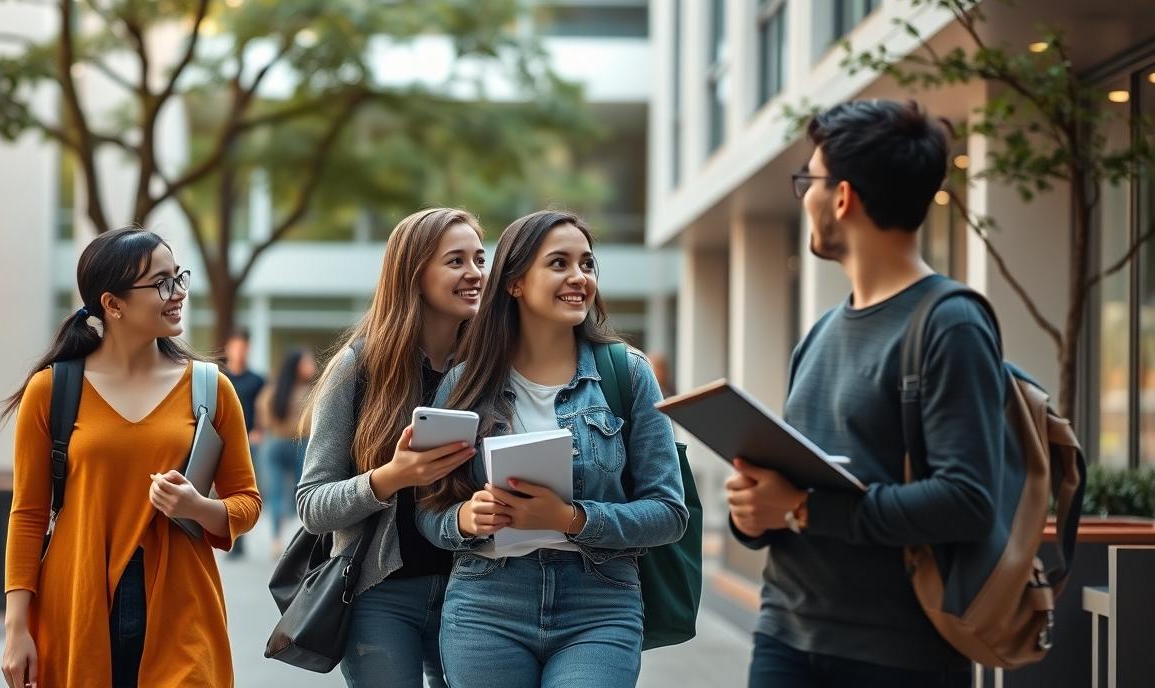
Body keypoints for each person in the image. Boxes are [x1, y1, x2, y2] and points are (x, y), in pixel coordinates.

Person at [726, 100, 1004, 687]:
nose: (805, 196)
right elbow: (807, 482)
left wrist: (803, 508)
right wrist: (757, 511)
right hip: (785, 634)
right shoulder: (823, 331)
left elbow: (967, 500)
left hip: (897, 655)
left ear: (843, 197)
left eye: (810, 180)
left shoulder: (950, 323)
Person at [417, 210, 688, 688]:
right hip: (487, 602)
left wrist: (569, 518)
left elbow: (669, 512)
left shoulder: (628, 374)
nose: (579, 277)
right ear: (516, 283)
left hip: (599, 603)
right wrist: (463, 520)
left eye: (587, 264)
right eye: (559, 263)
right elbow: (429, 512)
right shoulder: (465, 384)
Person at [0, 227, 261, 688]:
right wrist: (16, 628)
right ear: (113, 304)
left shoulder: (211, 389)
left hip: (183, 606)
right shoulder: (52, 391)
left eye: (178, 277)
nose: (177, 292)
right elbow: (28, 515)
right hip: (77, 602)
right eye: (161, 282)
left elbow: (247, 502)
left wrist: (198, 507)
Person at [297, 207, 486, 687]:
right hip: (379, 597)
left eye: (480, 259)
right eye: (456, 261)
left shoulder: (492, 369)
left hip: (478, 591)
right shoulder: (359, 367)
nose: (475, 274)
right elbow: (312, 506)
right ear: (414, 273)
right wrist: (392, 477)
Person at [257, 347, 316, 555]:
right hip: (300, 444)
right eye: (308, 361)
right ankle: (305, 541)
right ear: (297, 365)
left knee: (276, 493)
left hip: (274, 442)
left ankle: (276, 540)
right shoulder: (310, 393)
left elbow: (264, 416)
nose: (313, 365)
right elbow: (312, 423)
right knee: (305, 492)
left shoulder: (273, 390)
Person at [221, 327, 266, 558]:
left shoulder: (257, 380)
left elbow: (264, 409)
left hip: (248, 441)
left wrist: (259, 430)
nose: (240, 352)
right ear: (229, 348)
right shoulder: (219, 377)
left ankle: (238, 541)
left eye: (244, 347)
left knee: (242, 491)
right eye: (236, 346)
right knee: (220, 493)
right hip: (220, 440)